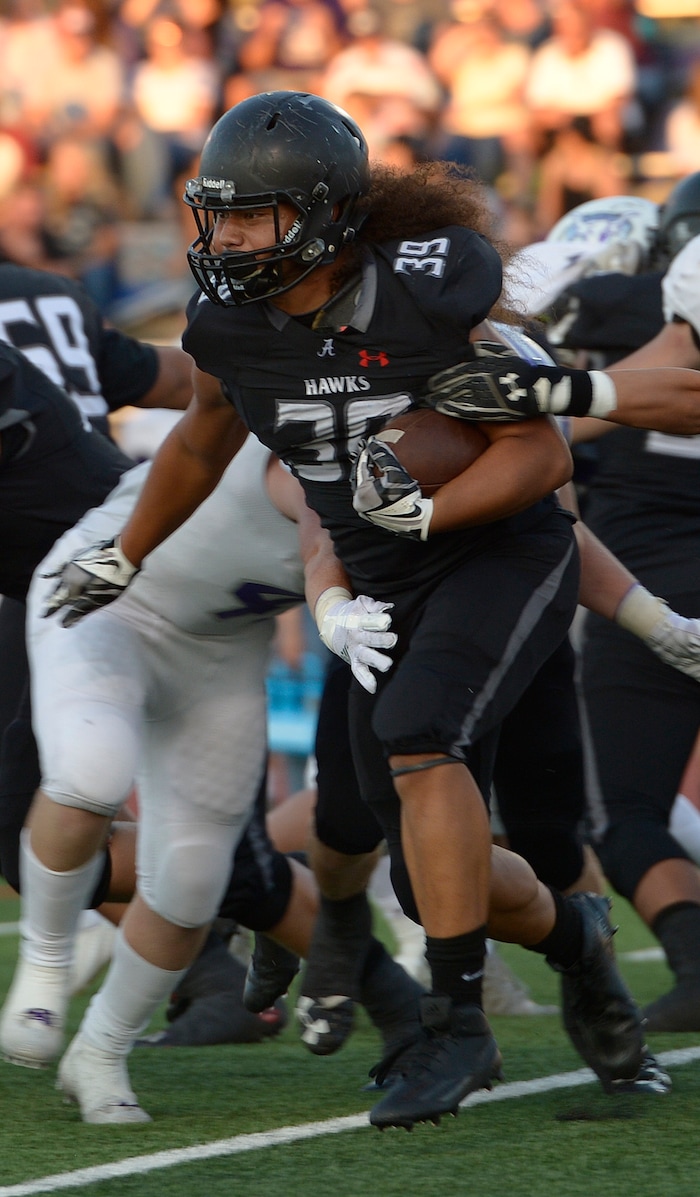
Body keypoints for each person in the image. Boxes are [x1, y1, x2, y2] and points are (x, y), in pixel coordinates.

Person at [43, 91, 673, 1131]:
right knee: (427, 870)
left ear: (329, 215)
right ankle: (577, 942)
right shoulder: (235, 326)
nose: (229, 236)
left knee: (421, 740)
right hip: (380, 575)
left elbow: (540, 451)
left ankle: (455, 1024)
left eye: (256, 213)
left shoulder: (428, 292)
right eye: (220, 212)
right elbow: (202, 441)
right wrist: (126, 550)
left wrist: (429, 509)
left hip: (497, 549)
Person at [0, 427, 404, 1121]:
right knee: (91, 768)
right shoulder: (316, 403)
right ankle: (45, 961)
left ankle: (99, 1051)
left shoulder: (443, 437)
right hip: (112, 594)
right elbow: (318, 518)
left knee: (193, 875)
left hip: (220, 645)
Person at [422, 227, 700, 1034]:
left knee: (624, 812)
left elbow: (561, 443)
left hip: (637, 576)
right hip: (612, 568)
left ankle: (687, 964)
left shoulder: (607, 313)